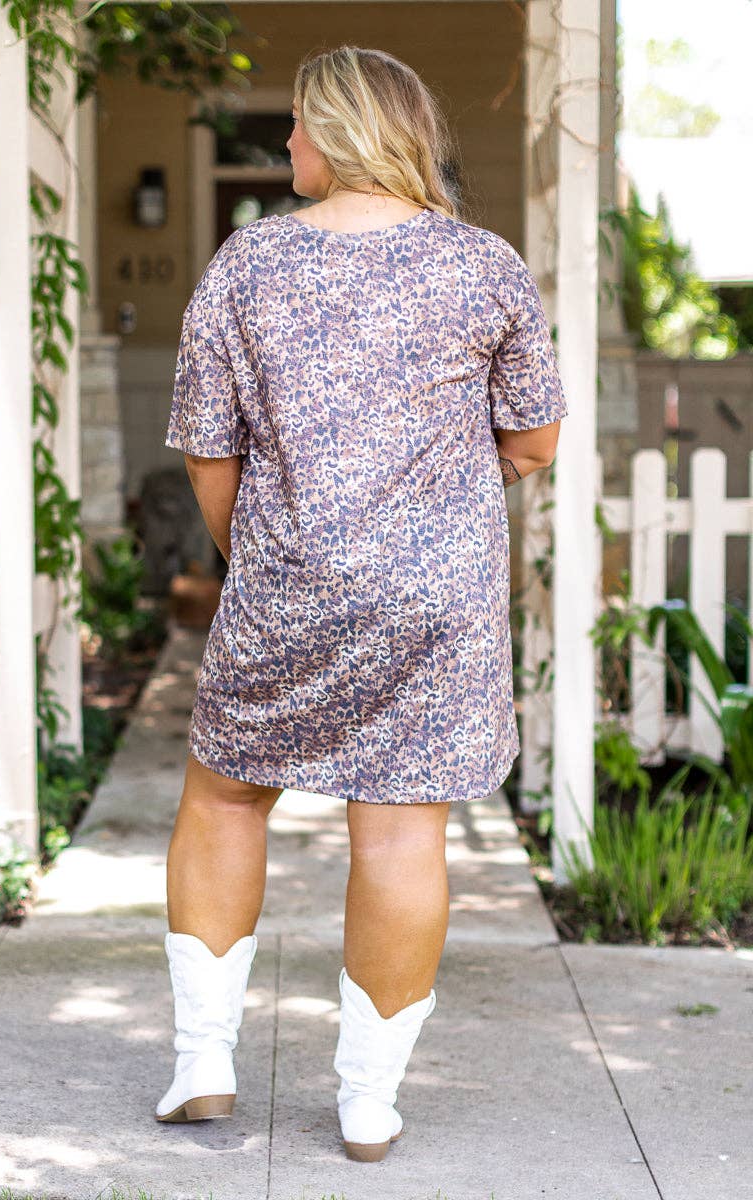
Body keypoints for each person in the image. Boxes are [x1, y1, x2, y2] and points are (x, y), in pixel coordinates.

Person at [156, 44, 568, 1162]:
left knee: (226, 797)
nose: (287, 140)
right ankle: (368, 1103)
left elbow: (208, 450)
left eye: (296, 122)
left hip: (284, 580)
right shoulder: (481, 265)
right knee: (399, 826)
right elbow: (533, 440)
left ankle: (202, 1063)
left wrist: (263, 557)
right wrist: (434, 512)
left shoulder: (249, 264)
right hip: (437, 597)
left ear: (336, 132)